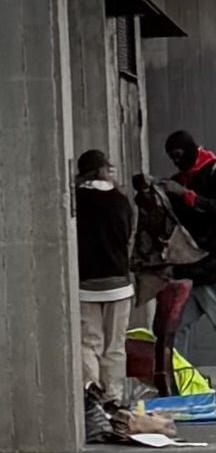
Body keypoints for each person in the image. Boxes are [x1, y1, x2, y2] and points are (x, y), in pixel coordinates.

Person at [162, 130, 216, 415]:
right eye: (172, 157)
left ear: (191, 151)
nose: (177, 161)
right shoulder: (178, 181)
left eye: (179, 155)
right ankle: (179, 387)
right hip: (189, 268)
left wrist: (186, 197)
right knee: (176, 332)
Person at [75, 150, 134, 402]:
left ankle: (92, 398)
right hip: (119, 283)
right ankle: (114, 399)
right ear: (103, 170)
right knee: (115, 347)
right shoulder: (120, 201)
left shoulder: (76, 200)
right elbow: (128, 235)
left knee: (90, 343)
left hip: (86, 284)